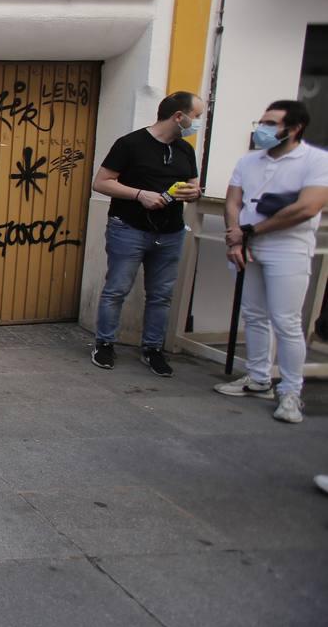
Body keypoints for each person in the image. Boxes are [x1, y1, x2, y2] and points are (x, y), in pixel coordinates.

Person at [215, 100, 328, 424]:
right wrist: (235, 234)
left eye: (270, 123)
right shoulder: (249, 161)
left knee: (286, 321)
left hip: (287, 247)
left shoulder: (316, 161)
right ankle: (258, 378)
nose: (261, 128)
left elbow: (307, 208)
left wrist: (250, 231)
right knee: (254, 314)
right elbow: (233, 199)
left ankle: (291, 391)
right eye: (261, 121)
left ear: (293, 129)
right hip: (248, 245)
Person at [90, 91, 205, 375]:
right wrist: (140, 194)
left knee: (161, 294)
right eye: (197, 116)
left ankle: (152, 349)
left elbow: (193, 184)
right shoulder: (130, 144)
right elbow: (102, 182)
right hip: (128, 228)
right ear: (179, 116)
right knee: (116, 290)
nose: (198, 123)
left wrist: (193, 192)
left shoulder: (185, 150)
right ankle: (104, 344)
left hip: (170, 232)